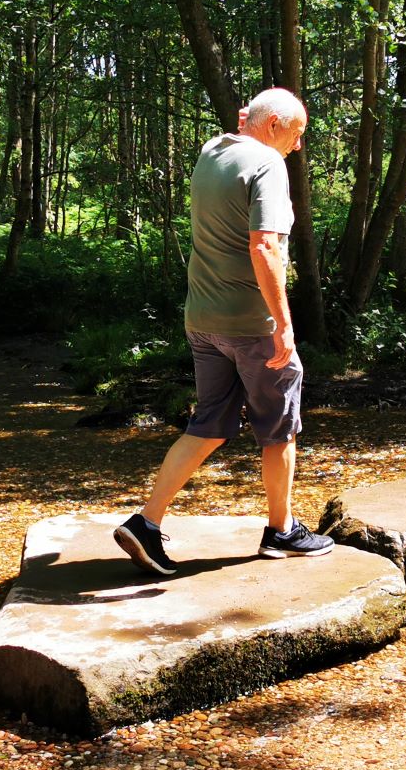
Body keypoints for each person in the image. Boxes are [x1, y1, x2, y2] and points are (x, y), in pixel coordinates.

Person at [116, 88, 334, 575]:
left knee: (209, 424)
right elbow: (265, 249)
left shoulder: (213, 150)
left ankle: (146, 524)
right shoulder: (268, 166)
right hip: (251, 323)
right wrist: (283, 325)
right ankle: (282, 531)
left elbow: (240, 130)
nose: (297, 147)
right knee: (280, 429)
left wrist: (253, 127)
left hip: (203, 319)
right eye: (296, 134)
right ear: (275, 124)